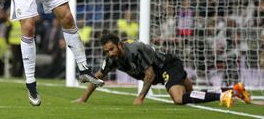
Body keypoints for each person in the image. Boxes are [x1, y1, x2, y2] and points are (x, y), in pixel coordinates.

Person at [74, 34, 251, 107]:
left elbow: (149, 74)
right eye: (106, 51)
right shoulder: (111, 59)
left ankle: (222, 97)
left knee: (179, 99)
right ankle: (234, 90)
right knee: (192, 94)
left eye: (111, 49)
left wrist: (140, 97)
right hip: (162, 71)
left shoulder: (134, 50)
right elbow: (96, 78)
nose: (110, 53)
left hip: (167, 65)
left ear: (119, 45)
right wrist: (83, 99)